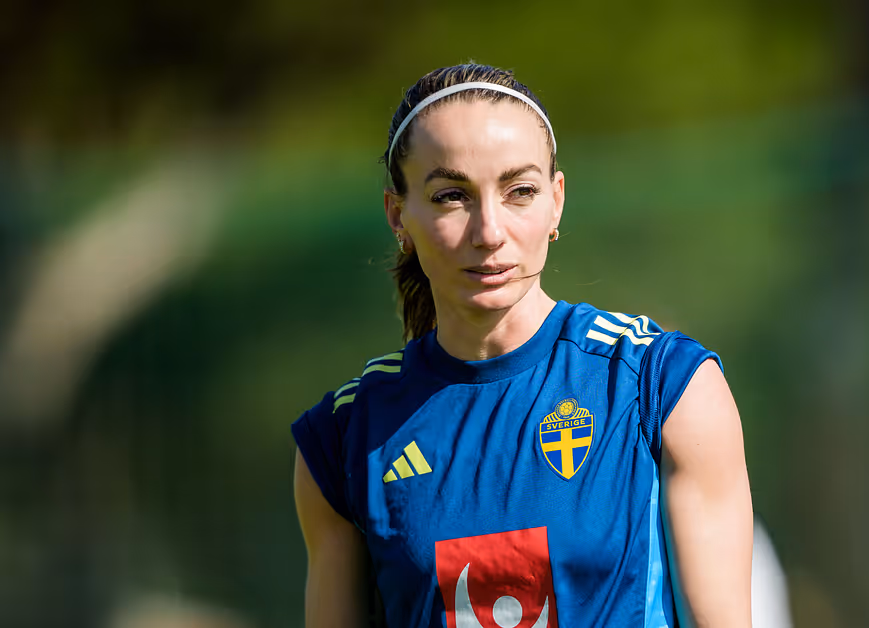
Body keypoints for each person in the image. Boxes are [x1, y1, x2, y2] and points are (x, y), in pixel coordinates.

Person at [291, 63, 753, 628]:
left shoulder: (663, 387)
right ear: (398, 216)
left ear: (556, 202)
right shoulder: (343, 439)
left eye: (520, 192)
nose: (489, 231)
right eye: (451, 196)